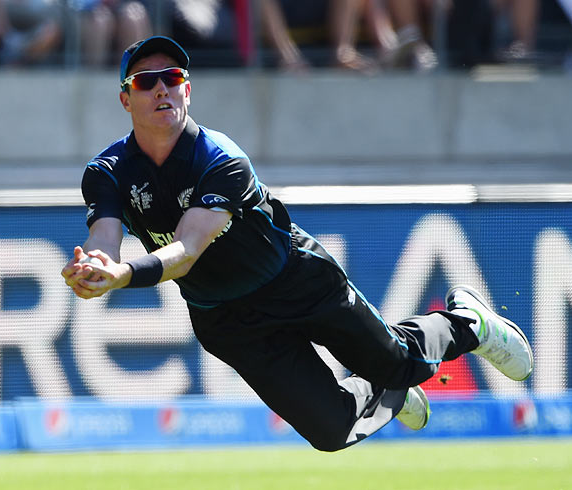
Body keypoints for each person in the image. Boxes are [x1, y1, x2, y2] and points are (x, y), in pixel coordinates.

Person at [61, 36, 534, 452]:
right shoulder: (106, 172)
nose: (162, 88)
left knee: (403, 363)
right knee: (330, 434)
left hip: (294, 280)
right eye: (146, 82)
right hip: (227, 320)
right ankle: (386, 389)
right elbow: (105, 236)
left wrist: (121, 277)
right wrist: (97, 265)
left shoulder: (220, 158)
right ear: (126, 100)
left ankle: (469, 323)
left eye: (173, 76)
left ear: (187, 88)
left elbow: (186, 251)